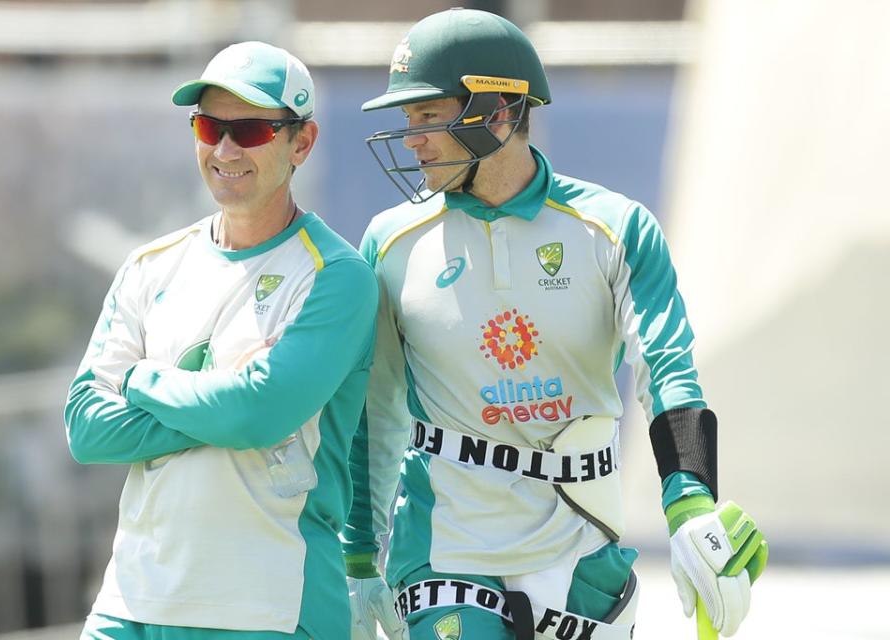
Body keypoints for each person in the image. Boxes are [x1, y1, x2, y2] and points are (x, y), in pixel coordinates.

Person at [343, 9, 768, 640]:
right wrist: (357, 556)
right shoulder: (390, 241)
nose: (412, 139)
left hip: (580, 543)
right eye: (407, 120)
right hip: (442, 546)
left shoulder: (618, 229)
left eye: (428, 116)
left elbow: (666, 368)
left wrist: (689, 501)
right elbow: (373, 410)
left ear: (498, 114)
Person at [64, 41, 377, 640]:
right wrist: (227, 402)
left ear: (302, 143)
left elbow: (261, 414)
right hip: (132, 602)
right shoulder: (150, 264)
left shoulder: (338, 275)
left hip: (269, 608)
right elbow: (85, 426)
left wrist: (141, 380)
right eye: (209, 126)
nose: (225, 149)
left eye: (252, 129)